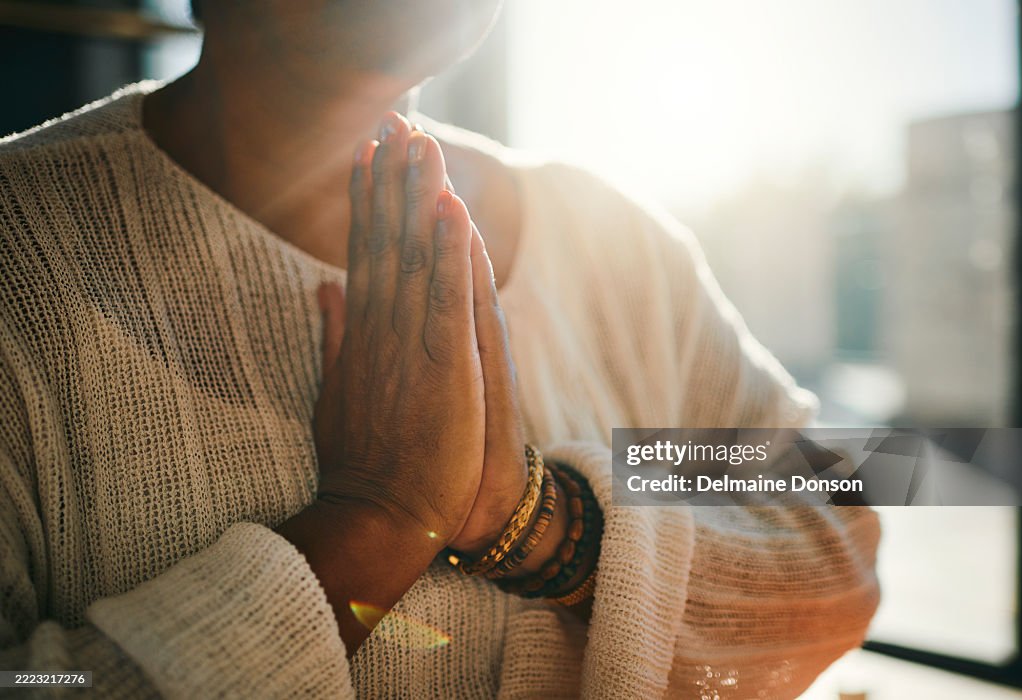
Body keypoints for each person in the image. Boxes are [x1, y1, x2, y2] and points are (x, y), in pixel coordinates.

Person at [0, 0, 880, 697]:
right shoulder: (18, 246)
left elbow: (842, 499)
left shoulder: (614, 241)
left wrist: (537, 521)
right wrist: (375, 519)